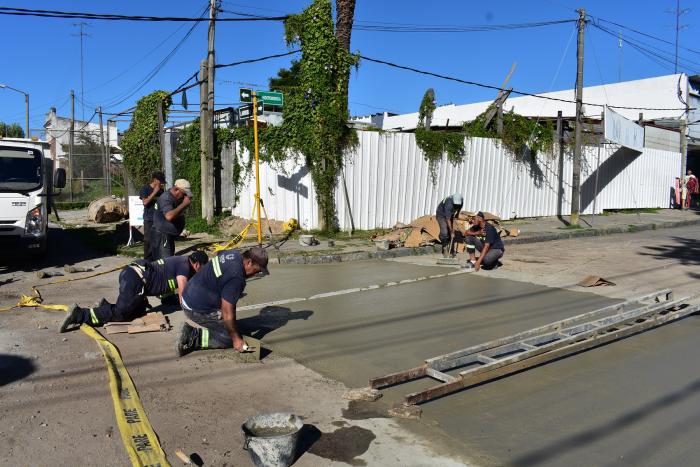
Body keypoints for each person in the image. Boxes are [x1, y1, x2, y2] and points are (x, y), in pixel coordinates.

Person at [59, 251, 209, 332]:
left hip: (134, 276)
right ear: (196, 264)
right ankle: (79, 314)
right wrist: (189, 312)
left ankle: (105, 306)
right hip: (135, 278)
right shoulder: (185, 265)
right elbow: (183, 290)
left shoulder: (180, 262)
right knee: (120, 315)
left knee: (138, 313)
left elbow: (161, 279)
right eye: (203, 268)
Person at [176, 246, 269, 357]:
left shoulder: (233, 254)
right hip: (196, 308)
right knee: (229, 337)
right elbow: (227, 311)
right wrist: (236, 339)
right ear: (249, 262)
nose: (255, 274)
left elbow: (220, 253)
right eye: (256, 271)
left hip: (189, 295)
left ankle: (225, 330)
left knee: (235, 328)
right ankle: (193, 336)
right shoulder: (236, 277)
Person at [152, 179, 192, 259]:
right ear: (176, 190)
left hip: (168, 235)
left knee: (169, 259)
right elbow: (169, 216)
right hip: (162, 235)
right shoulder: (166, 198)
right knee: (166, 263)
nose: (185, 196)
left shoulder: (174, 197)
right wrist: (184, 204)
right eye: (184, 194)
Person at [139, 171, 165, 261]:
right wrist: (154, 192)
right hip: (149, 219)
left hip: (159, 219)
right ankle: (147, 260)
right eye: (160, 181)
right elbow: (145, 203)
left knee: (158, 240)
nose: (161, 184)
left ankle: (157, 258)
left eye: (162, 182)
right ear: (154, 180)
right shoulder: (145, 189)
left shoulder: (161, 191)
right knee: (148, 240)